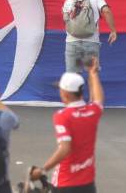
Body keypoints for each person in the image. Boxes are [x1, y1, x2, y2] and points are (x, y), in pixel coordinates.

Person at [42, 56, 106, 192]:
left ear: (64, 93)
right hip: (87, 184)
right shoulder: (93, 111)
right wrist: (93, 73)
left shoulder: (62, 116)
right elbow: (99, 99)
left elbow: (65, 149)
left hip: (65, 183)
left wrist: (42, 170)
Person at [62, 0, 117, 74]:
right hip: (91, 41)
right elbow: (106, 11)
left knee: (73, 77)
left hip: (71, 41)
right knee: (93, 75)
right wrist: (113, 31)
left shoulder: (69, 0)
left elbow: (65, 19)